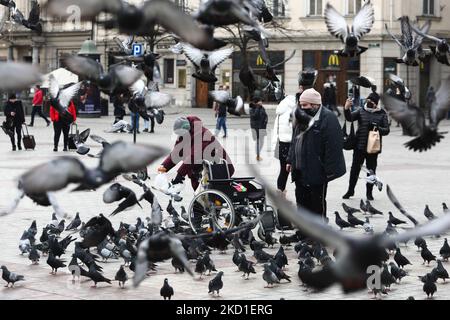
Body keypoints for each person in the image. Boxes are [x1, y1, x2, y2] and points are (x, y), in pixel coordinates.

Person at [287, 88, 346, 218]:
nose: (302, 107)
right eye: (301, 105)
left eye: (305, 105)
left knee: (316, 206)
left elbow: (334, 146)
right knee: (301, 204)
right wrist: (290, 159)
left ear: (315, 105)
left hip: (317, 171)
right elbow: (295, 139)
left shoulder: (328, 118)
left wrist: (328, 171)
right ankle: (303, 233)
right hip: (300, 169)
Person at [158, 116, 234, 191]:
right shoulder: (183, 134)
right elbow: (176, 153)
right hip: (200, 171)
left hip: (218, 168)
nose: (180, 136)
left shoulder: (202, 133)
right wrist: (163, 167)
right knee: (200, 197)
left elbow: (194, 156)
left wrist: (180, 174)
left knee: (208, 197)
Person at [342, 92, 390, 201]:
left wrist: (377, 127)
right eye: (368, 100)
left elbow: (387, 130)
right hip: (359, 146)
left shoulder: (382, 113)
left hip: (373, 148)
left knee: (371, 171)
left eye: (371, 101)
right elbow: (349, 118)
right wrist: (346, 108)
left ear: (376, 103)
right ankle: (350, 190)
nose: (368, 103)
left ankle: (369, 193)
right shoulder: (360, 110)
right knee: (355, 170)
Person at [272, 91, 295, 198]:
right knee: (298, 171)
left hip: (282, 144)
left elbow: (275, 130)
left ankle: (280, 193)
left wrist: (274, 145)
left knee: (283, 170)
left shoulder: (280, 112)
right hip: (294, 143)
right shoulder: (295, 110)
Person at [249, 96, 268, 161]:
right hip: (256, 128)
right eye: (260, 101)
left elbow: (265, 115)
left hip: (262, 127)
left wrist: (266, 121)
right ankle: (258, 155)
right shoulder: (252, 108)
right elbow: (255, 116)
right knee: (258, 142)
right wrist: (257, 107)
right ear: (257, 102)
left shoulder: (262, 108)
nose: (261, 102)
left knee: (262, 142)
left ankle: (258, 153)